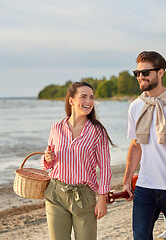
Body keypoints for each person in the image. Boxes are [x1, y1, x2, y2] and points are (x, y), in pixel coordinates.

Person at [123, 51, 166, 240]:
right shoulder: (136, 106)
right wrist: (127, 178)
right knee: (140, 237)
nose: (140, 77)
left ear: (161, 72)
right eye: (137, 73)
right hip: (145, 186)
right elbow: (136, 145)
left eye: (145, 73)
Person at [41, 81, 113, 240]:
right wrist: (47, 158)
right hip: (55, 194)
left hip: (84, 196)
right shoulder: (56, 128)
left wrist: (102, 197)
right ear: (71, 100)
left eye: (91, 97)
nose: (89, 101)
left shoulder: (97, 131)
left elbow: (105, 168)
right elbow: (48, 161)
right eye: (84, 97)